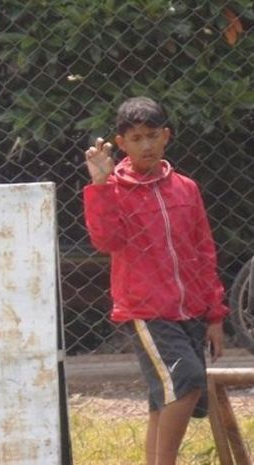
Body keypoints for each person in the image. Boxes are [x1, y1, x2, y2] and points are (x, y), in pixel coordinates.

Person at [82, 96, 229, 465]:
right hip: (145, 311)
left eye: (152, 135)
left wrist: (215, 315)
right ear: (122, 144)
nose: (145, 145)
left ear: (166, 136)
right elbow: (105, 241)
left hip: (191, 311)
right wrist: (100, 184)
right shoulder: (113, 190)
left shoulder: (186, 188)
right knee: (188, 382)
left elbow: (203, 250)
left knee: (162, 398)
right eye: (136, 138)